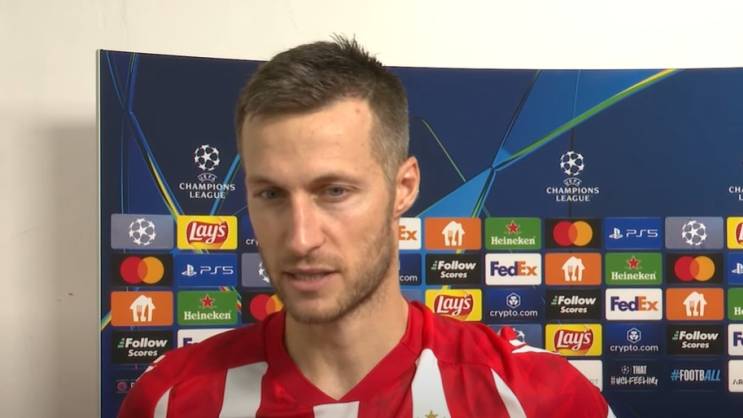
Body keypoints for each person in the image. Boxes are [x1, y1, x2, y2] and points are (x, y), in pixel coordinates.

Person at [117, 37, 614, 418]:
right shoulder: (170, 400)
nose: (301, 238)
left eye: (334, 191)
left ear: (404, 188)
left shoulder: (542, 398)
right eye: (271, 194)